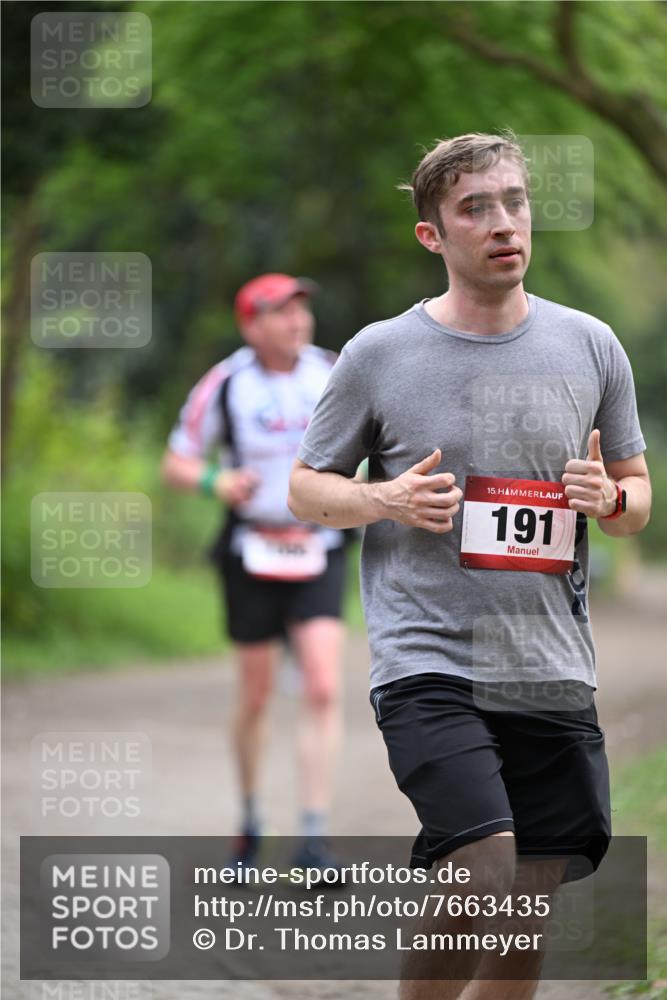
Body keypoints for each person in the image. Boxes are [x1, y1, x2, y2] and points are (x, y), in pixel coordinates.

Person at [288, 133, 651, 998]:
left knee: (524, 913)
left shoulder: (592, 345)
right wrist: (382, 501)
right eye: (474, 208)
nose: (502, 223)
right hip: (429, 660)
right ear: (432, 236)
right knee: (484, 872)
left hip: (550, 666)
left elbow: (636, 499)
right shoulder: (379, 354)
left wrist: (609, 499)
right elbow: (306, 489)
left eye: (514, 201)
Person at [162, 273, 348, 873]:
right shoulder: (226, 384)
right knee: (257, 693)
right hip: (253, 549)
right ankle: (248, 824)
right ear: (251, 325)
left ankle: (315, 838)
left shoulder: (334, 373)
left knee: (322, 685)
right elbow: (177, 462)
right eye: (281, 313)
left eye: (302, 310)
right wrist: (217, 481)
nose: (297, 321)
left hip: (320, 544)